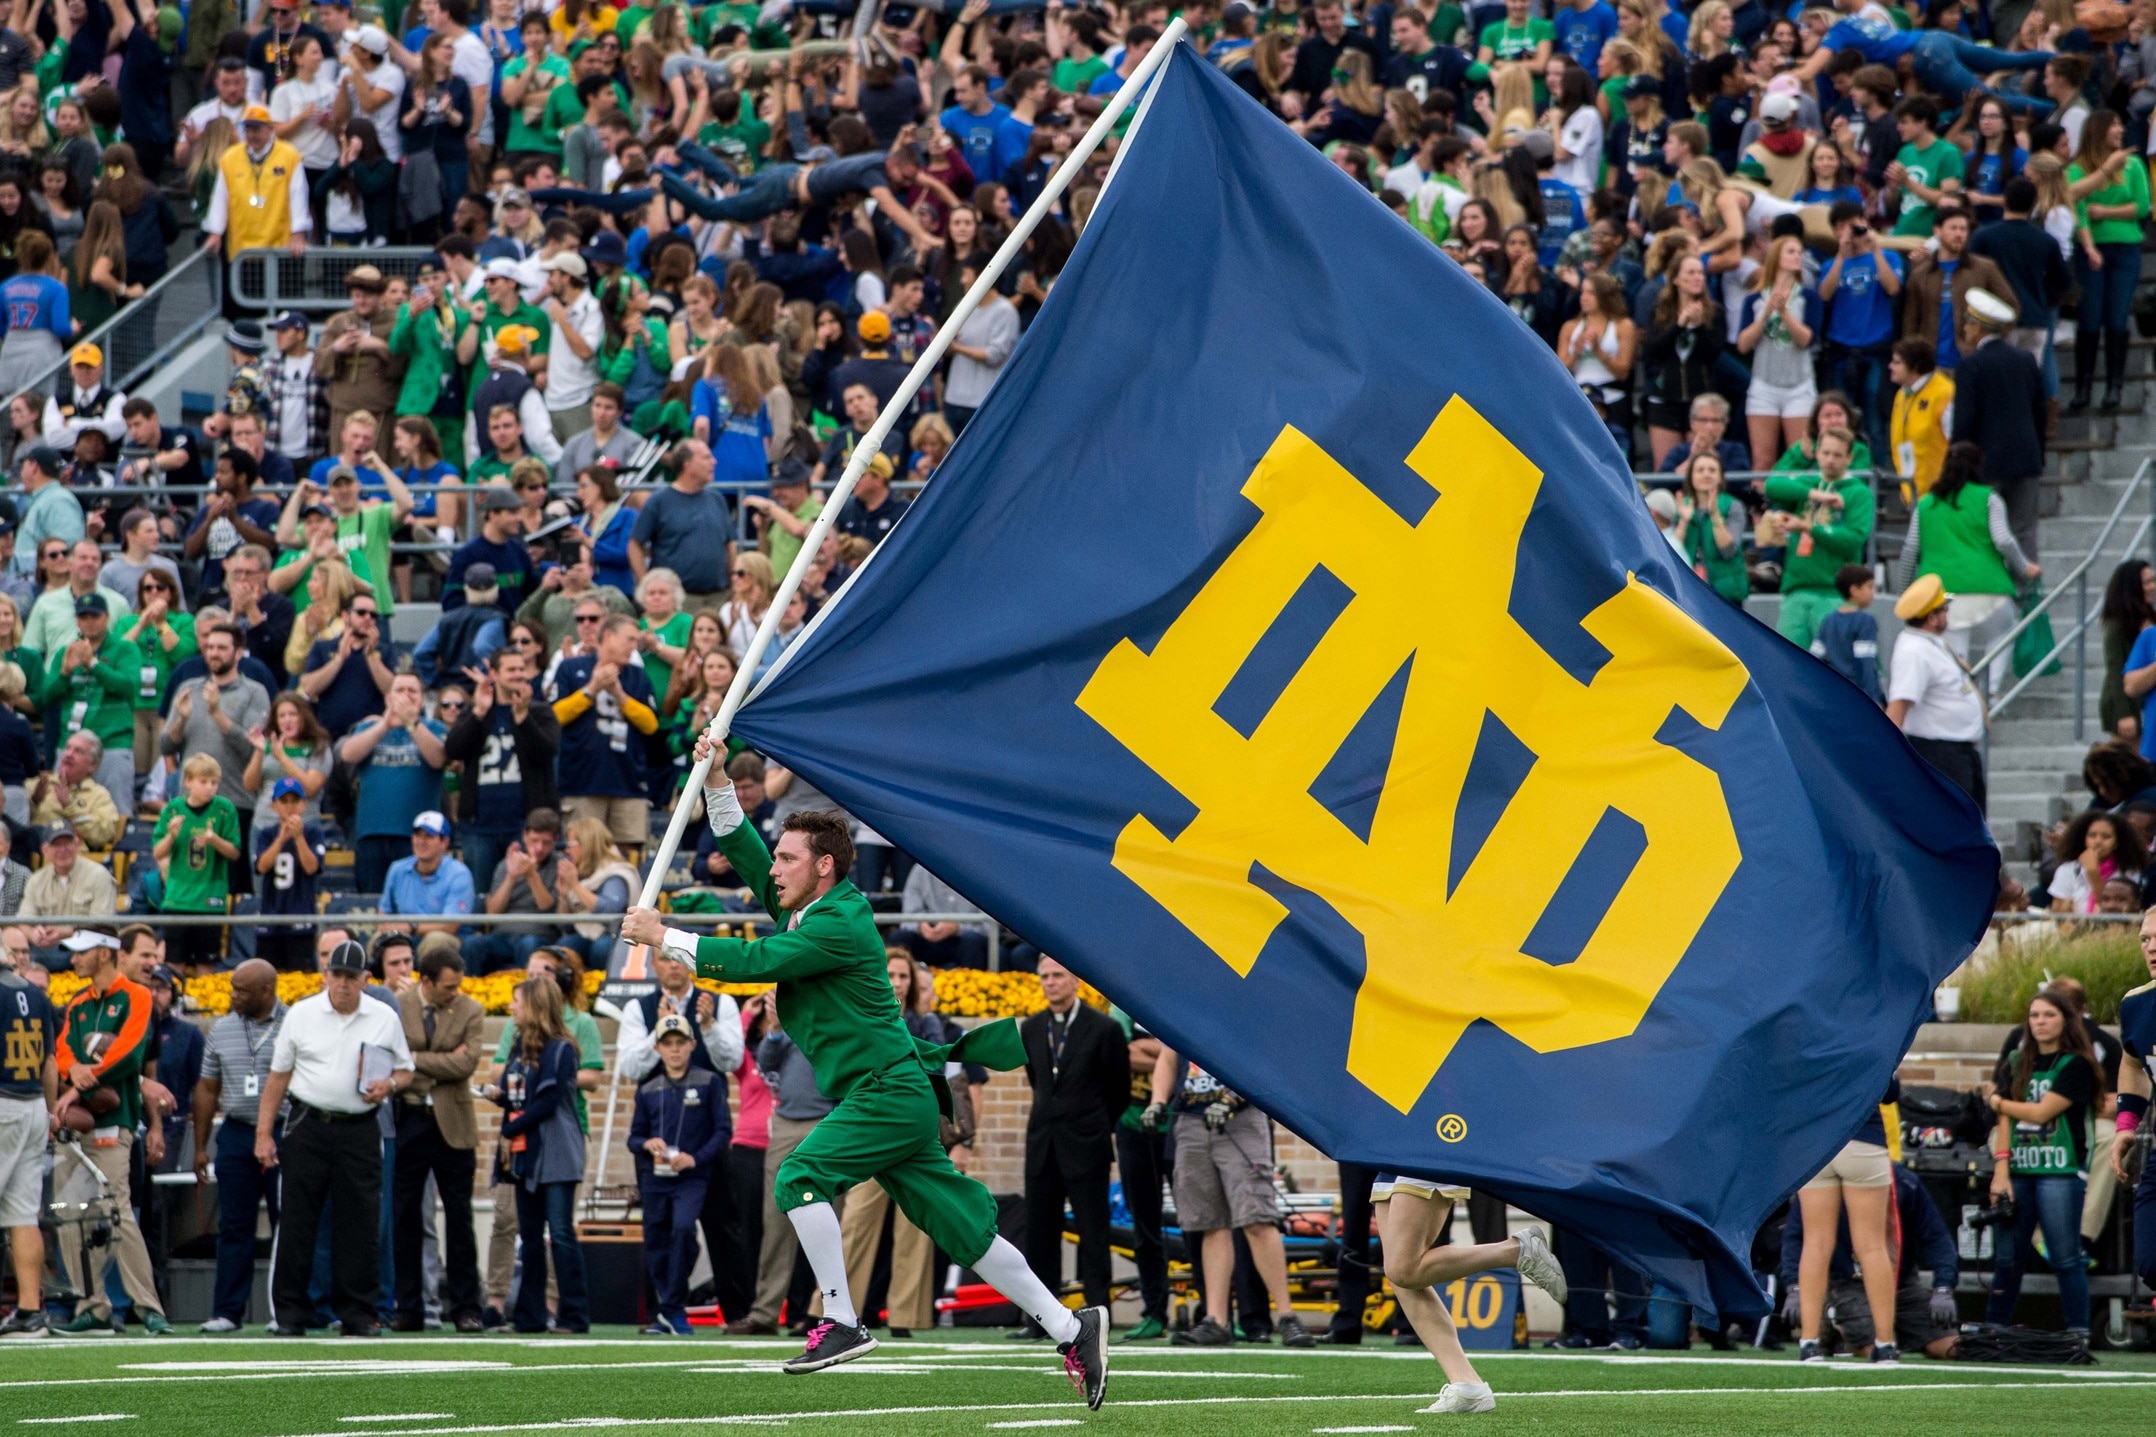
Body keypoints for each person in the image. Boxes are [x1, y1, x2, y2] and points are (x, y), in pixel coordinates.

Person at [621, 777, 1108, 1402]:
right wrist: (717, 782)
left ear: (823, 867)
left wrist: (665, 937)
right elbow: (742, 845)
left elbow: (753, 963)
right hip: (892, 1093)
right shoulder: (809, 906)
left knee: (799, 1177)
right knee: (966, 1231)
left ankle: (842, 1320)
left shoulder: (838, 922)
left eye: (787, 859)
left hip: (888, 1090)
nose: (774, 869)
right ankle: (1071, 1329)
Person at [256, 937, 414, 1336]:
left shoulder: (384, 1017)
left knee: (360, 1222)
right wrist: (264, 1134)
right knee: (298, 1220)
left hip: (360, 1126)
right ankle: (291, 1313)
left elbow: (406, 1070)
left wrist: (389, 1085)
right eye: (336, 975)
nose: (342, 984)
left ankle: (358, 1312)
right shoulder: (302, 1014)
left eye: (350, 977)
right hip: (307, 1123)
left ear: (365, 979)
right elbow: (278, 1077)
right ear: (325, 975)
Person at [1140, 1047, 1312, 1349]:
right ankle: (1216, 1320)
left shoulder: (1245, 1015)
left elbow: (1260, 1059)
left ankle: (1287, 1317)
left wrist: (1232, 1098)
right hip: (1190, 1120)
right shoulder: (1181, 1017)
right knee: (1211, 1224)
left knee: (1257, 1219)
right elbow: (1168, 1057)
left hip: (1241, 1122)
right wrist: (1157, 1101)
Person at [48, 928, 170, 1333]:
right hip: (76, 1128)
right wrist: (74, 1070)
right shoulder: (78, 1002)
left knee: (117, 1210)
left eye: (81, 952)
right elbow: (62, 1050)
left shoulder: (137, 996)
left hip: (114, 1123)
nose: (73, 960)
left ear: (103, 953)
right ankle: (92, 1304)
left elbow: (130, 1052)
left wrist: (81, 1079)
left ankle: (148, 1306)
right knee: (70, 1214)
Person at [1368, 1176, 1567, 1411]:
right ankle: (1467, 1385)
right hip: (1388, 1159)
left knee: (1404, 1270)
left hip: (1423, 1155)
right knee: (1400, 1275)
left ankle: (1515, 1251)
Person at [1013, 957, 1127, 1333]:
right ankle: (1040, 1319)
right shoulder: (1032, 1028)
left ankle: (1098, 1314)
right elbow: (1038, 1081)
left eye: (1058, 976)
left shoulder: (1105, 1029)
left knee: (1094, 1234)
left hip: (1087, 1145)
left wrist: (1094, 1125)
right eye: (1044, 977)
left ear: (1075, 980)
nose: (1050, 983)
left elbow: (1119, 1090)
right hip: (1043, 1145)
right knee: (1040, 1235)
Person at [1984, 985, 2103, 1337]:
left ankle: (2078, 1332)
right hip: (2018, 1169)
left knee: (2065, 1257)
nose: (2040, 1021)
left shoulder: (2077, 1065)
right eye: (2034, 1015)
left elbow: (2041, 1112)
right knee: (2007, 1259)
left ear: (2066, 1020)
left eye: (2049, 1015)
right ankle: (1994, 1329)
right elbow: (2004, 1122)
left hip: (2061, 1171)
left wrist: (1997, 1101)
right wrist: (2001, 1171)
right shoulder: (2016, 1061)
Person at [484, 973, 589, 1333]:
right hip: (526, 1152)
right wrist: (498, 1097)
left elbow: (547, 1102)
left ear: (535, 1006)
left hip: (557, 1152)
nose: (511, 1006)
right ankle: (530, 1317)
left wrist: (510, 1129)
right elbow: (518, 1097)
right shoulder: (518, 1047)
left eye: (517, 1001)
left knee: (559, 1233)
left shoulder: (562, 1049)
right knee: (529, 1237)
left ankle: (574, 1316)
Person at [1779, 1162, 1961, 1361]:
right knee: (1873, 1346)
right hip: (1846, 1281)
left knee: (1950, 1348)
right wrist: (1795, 1286)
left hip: (1901, 1281)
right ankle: (1834, 1322)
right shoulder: (1822, 1182)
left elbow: (1936, 1236)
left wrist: (1943, 1287)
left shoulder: (1906, 1183)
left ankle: (1865, 1330)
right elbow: (1796, 1238)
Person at [393, 941, 485, 1333]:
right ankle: (408, 1308)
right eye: (448, 986)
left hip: (454, 1125)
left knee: (459, 1219)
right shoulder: (398, 1006)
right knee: (405, 1217)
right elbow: (394, 1060)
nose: (455, 992)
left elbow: (467, 1064)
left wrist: (415, 1059)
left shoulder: (472, 1009)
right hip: (410, 1119)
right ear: (426, 982)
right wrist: (440, 1060)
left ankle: (466, 1309)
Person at [188, 958, 284, 1333]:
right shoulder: (223, 1028)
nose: (233, 996)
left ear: (266, 991)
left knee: (287, 1225)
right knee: (233, 1225)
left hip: (282, 1133)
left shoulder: (292, 1024)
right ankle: (227, 1311)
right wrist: (200, 1147)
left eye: (242, 991)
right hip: (237, 1131)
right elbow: (207, 1088)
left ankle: (286, 1310)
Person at [629, 1012, 730, 1336]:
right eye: (668, 1043)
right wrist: (647, 1143)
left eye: (680, 1042)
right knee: (656, 1240)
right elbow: (633, 1137)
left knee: (684, 1230)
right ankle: (668, 1309)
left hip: (692, 1176)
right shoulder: (648, 1088)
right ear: (657, 1048)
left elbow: (722, 1131)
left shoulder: (709, 1081)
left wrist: (694, 1159)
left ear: (692, 1045)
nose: (674, 1049)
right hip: (655, 1177)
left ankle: (672, 1307)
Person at [1791, 1075, 1903, 1363]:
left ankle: (1809, 1341)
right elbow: (1890, 1091)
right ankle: (1885, 1343)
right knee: (1872, 1246)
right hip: (1864, 1139)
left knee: (1815, 1244)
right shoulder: (1872, 1043)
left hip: (1814, 1140)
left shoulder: (1803, 1044)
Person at [443, 644, 561, 892]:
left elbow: (547, 751)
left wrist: (522, 718)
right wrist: (478, 712)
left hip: (525, 825)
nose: (519, 674)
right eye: (511, 670)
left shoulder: (539, 711)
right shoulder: (477, 711)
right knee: (481, 894)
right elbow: (453, 750)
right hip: (479, 826)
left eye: (521, 669)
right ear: (494, 674)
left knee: (524, 895)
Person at [1949, 289, 2049, 559]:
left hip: (1985, 464)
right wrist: (2038, 455)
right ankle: (2028, 585)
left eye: (1968, 323)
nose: (1965, 329)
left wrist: (1956, 465)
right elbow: (2039, 412)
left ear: (1977, 327)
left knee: (1984, 532)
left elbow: (1964, 421)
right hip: (2026, 459)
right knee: (2024, 533)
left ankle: (1992, 585)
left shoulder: (1970, 366)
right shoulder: (2025, 360)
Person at [549, 613, 659, 849]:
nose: (634, 647)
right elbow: (554, 717)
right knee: (583, 854)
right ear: (608, 636)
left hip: (629, 781)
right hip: (582, 782)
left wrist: (620, 695)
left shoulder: (637, 676)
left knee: (628, 858)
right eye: (629, 639)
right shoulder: (571, 668)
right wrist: (592, 688)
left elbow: (651, 725)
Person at [2065, 109, 2150, 413]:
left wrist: (2104, 212)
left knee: (2117, 316)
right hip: (2091, 249)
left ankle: (2114, 387)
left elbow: (2142, 206)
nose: (2120, 130)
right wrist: (2090, 246)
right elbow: (2078, 206)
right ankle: (2083, 388)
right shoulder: (2077, 168)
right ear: (2099, 130)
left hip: (2126, 249)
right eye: (2114, 125)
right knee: (2089, 316)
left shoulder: (2134, 164)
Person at [1762, 428, 1873, 653]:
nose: (1830, 460)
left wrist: (1808, 528)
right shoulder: (1809, 484)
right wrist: (1815, 495)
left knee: (1835, 663)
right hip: (1796, 591)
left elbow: (1853, 539)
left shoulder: (1858, 493)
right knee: (1787, 660)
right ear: (1817, 453)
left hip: (1834, 594)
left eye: (1837, 455)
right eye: (1826, 453)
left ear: (1849, 458)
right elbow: (1772, 485)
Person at [340, 673, 450, 894]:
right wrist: (384, 725)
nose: (406, 696)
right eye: (400, 690)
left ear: (421, 700)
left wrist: (412, 723)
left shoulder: (434, 728)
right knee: (372, 900)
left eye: (412, 691)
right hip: (371, 834)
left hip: (418, 836)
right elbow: (348, 754)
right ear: (388, 698)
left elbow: (438, 759)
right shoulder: (369, 728)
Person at [1888, 574, 1987, 808]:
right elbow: (1899, 705)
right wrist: (1888, 757)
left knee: (1970, 822)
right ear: (1932, 618)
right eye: (1944, 609)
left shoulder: (1929, 642)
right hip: (1939, 755)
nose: (1947, 614)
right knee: (1955, 822)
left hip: (1957, 753)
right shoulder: (1914, 651)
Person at [0, 941, 55, 1336]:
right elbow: (49, 1062)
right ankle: (30, 1310)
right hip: (33, 1103)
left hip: (3, 1104)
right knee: (22, 1215)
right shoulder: (35, 994)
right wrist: (49, 1113)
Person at [151, 754, 243, 973]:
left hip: (210, 900)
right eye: (203, 782)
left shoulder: (224, 809)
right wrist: (171, 836)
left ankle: (206, 995)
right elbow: (158, 852)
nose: (210, 788)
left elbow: (234, 852)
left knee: (206, 963)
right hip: (178, 899)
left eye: (214, 783)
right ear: (188, 782)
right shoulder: (173, 810)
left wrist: (214, 840)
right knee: (174, 963)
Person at [629, 439, 738, 610]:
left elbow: (730, 545)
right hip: (678, 602)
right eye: (706, 457)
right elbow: (635, 544)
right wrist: (646, 586)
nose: (714, 462)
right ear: (687, 465)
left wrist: (735, 585)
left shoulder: (717, 499)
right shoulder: (659, 501)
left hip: (719, 598)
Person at [202, 106, 312, 269]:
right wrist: (215, 232)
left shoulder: (289, 156)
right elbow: (220, 198)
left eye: (256, 129)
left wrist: (298, 233)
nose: (251, 135)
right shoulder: (229, 159)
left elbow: (298, 195)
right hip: (242, 250)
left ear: (270, 129)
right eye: (247, 129)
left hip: (281, 249)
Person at [2114, 911, 2156, 1307]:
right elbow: (2131, 1062)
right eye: (2145, 939)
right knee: (2150, 1259)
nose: (2152, 947)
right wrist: (2126, 1124)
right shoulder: (2137, 1004)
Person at [379, 811, 474, 937]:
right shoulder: (397, 869)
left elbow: (450, 927)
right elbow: (383, 915)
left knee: (435, 938)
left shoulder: (459, 874)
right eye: (417, 835)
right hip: (405, 936)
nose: (421, 842)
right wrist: (386, 929)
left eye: (429, 836)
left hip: (448, 939)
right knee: (378, 938)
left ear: (444, 843)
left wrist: (410, 927)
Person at [1889, 338, 1955, 504]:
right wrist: (1905, 485)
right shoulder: (1902, 394)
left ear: (1915, 368)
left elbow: (1957, 444)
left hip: (1940, 494)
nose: (1890, 366)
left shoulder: (1944, 393)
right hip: (1912, 490)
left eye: (1897, 362)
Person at [2047, 809, 2147, 915]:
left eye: (2106, 837)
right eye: (2092, 835)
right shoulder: (2067, 870)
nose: (2098, 842)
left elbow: (2111, 911)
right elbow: (2061, 914)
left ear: (2117, 843)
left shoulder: (2128, 872)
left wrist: (2093, 874)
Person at [1812, 564, 1884, 705]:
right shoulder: (1865, 621)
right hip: (1857, 696)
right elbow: (1866, 663)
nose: (1873, 592)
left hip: (1832, 695)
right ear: (1854, 590)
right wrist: (1874, 699)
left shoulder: (1828, 620)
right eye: (1869, 587)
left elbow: (1815, 658)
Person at [2103, 560, 2156, 743]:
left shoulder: (2151, 619)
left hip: (2147, 700)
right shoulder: (2117, 627)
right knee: (2129, 758)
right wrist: (2124, 714)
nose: (2152, 587)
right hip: (2126, 706)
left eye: (2153, 581)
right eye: (2146, 583)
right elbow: (2115, 672)